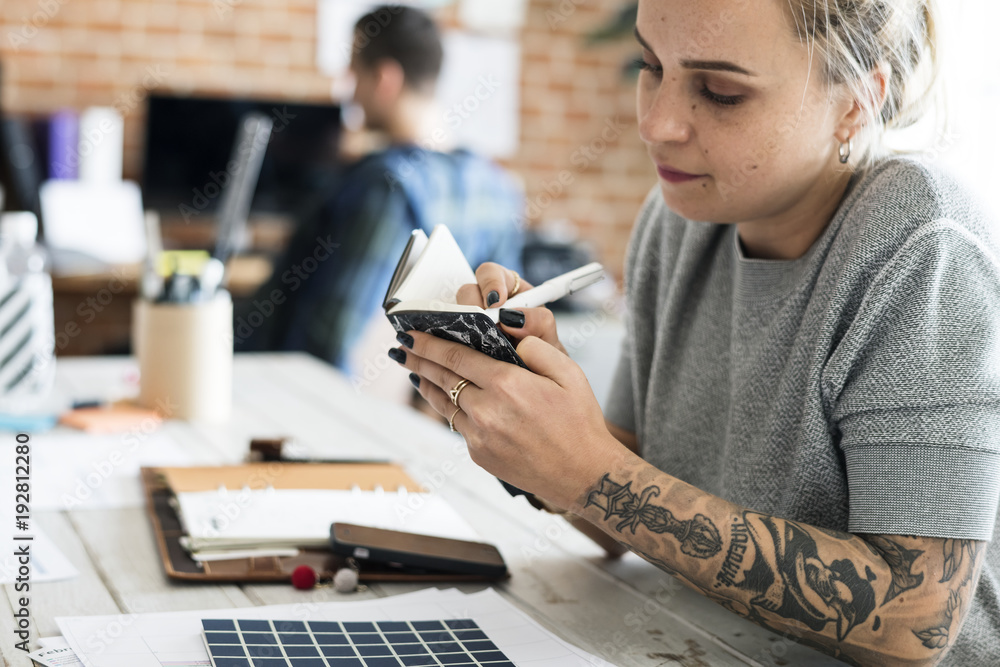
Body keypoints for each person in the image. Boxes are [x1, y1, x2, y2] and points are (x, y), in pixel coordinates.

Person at [389, 0, 1000, 664]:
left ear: (856, 101)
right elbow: (625, 496)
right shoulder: (681, 216)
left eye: (721, 92)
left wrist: (593, 472)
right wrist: (526, 409)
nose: (655, 124)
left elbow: (916, 619)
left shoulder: (921, 244)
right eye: (651, 65)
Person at [238, 5, 523, 370]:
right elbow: (500, 329)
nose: (351, 94)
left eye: (355, 74)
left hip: (300, 396)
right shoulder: (498, 188)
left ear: (385, 79)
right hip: (429, 411)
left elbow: (330, 338)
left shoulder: (384, 185)